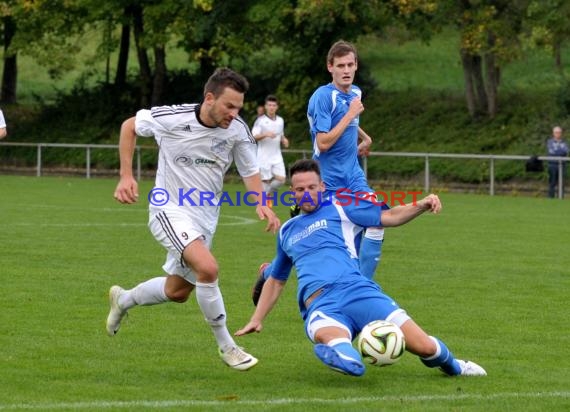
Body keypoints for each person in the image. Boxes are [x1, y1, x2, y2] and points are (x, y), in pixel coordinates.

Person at [237, 159, 486, 378]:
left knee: (425, 347)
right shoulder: (287, 231)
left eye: (312, 187)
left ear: (322, 187)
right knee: (332, 336)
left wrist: (421, 205)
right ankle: (347, 360)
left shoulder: (341, 207)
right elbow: (277, 280)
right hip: (322, 305)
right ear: (293, 193)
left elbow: (389, 216)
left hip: (360, 292)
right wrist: (257, 319)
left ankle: (455, 367)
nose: (307, 193)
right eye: (301, 189)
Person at [106, 68, 280, 371]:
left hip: (204, 219)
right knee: (209, 268)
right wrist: (125, 175)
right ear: (209, 98)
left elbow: (249, 171)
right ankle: (228, 347)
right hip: (168, 209)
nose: (234, 113)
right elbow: (129, 126)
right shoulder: (174, 118)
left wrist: (261, 203)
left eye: (239, 107)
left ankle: (123, 300)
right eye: (229, 106)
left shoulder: (237, 130)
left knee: (177, 292)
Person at [251, 40, 383, 305]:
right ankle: (270, 271)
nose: (346, 70)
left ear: (356, 66)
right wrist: (351, 115)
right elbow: (323, 142)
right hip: (325, 181)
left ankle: (363, 289)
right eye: (340, 66)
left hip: (353, 176)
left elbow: (350, 120)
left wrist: (364, 136)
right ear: (330, 67)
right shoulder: (322, 97)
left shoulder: (355, 92)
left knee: (376, 221)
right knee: (312, 241)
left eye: (350, 65)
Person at [251, 95, 290, 202]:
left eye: (274, 105)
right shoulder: (260, 121)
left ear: (277, 107)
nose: (272, 107)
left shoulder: (280, 120)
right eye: (269, 105)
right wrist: (265, 134)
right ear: (266, 107)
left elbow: (280, 134)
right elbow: (253, 136)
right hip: (263, 156)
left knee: (282, 179)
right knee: (265, 180)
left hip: (276, 155)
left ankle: (266, 195)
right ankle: (264, 206)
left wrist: (284, 139)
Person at [546, 126, 568, 198]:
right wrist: (560, 151)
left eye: (559, 132)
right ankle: (551, 198)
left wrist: (558, 151)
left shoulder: (564, 142)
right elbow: (552, 152)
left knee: (561, 183)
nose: (558, 134)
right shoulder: (550, 142)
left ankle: (561, 197)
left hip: (562, 165)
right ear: (553, 133)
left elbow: (566, 151)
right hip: (552, 165)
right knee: (552, 182)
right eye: (556, 132)